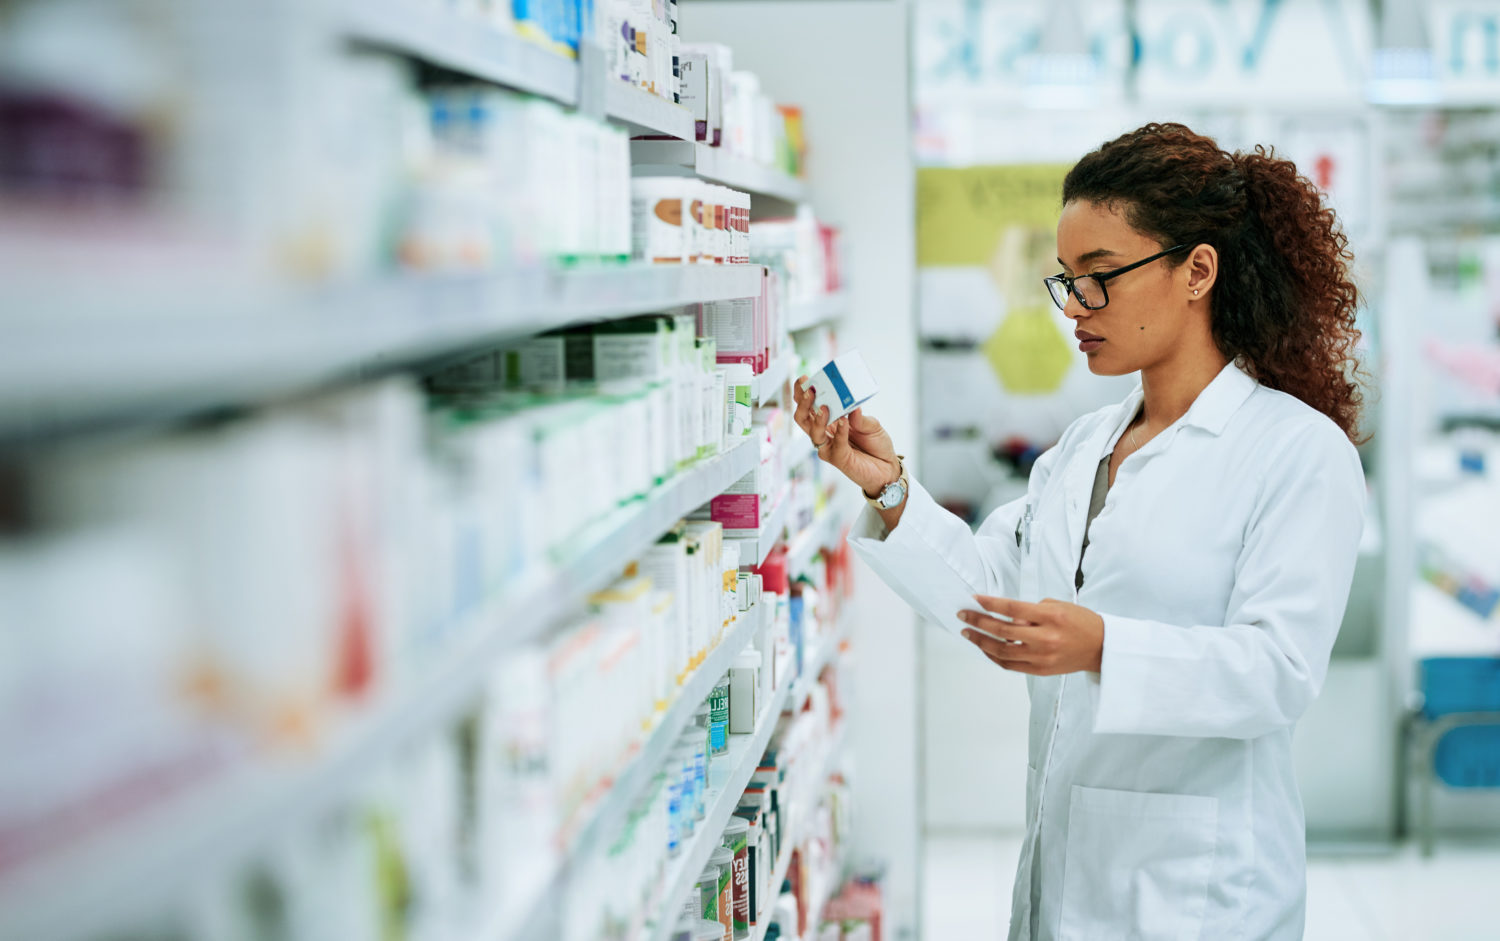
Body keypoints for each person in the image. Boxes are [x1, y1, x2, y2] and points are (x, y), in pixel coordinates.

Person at [793, 123, 1367, 941]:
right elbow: (992, 588)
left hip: (1199, 895)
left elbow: (1278, 670)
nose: (1076, 309)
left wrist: (1103, 646)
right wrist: (888, 487)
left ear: (1197, 270)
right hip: (1065, 873)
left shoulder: (1297, 452)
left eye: (1100, 277)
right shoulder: (1085, 446)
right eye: (1067, 280)